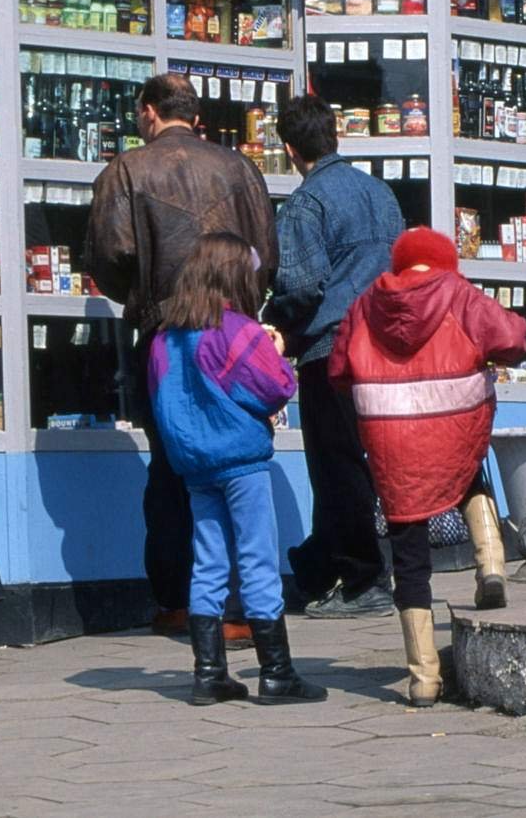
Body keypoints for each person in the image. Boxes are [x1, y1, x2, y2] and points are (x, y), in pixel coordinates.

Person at [86, 73, 277, 639]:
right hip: (232, 332)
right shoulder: (240, 168)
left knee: (172, 468)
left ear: (149, 112)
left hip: (166, 334)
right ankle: (242, 607)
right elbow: (267, 253)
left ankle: (177, 600)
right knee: (239, 465)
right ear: (192, 115)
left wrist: (147, 297)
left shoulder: (127, 169)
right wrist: (241, 307)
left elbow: (110, 255)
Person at [329, 227, 524, 707]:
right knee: (466, 474)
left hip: (390, 436)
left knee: (409, 550)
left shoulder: (364, 304)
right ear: (444, 262)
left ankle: (423, 680)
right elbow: (512, 339)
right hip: (452, 420)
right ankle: (491, 564)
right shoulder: (458, 294)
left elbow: (338, 370)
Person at [146, 232, 324, 706]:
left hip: (195, 465)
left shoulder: (165, 337)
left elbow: (162, 403)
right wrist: (279, 349)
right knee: (257, 559)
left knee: (207, 563)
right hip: (241, 461)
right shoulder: (236, 329)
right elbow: (275, 387)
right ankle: (277, 673)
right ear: (235, 276)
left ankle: (209, 674)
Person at [264, 93, 404, 619]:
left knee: (336, 465)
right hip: (386, 349)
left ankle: (366, 579)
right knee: (363, 461)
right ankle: (319, 567)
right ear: (334, 135)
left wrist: (275, 325)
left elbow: (301, 286)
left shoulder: (306, 204)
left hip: (331, 349)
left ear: (289, 148)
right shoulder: (381, 193)